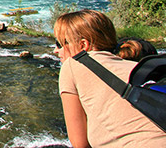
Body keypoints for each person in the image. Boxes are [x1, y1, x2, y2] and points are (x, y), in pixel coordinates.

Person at [54, 9, 166, 148]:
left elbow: (80, 144)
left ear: (83, 45)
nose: (55, 50)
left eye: (60, 43)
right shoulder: (138, 67)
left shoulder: (72, 65)